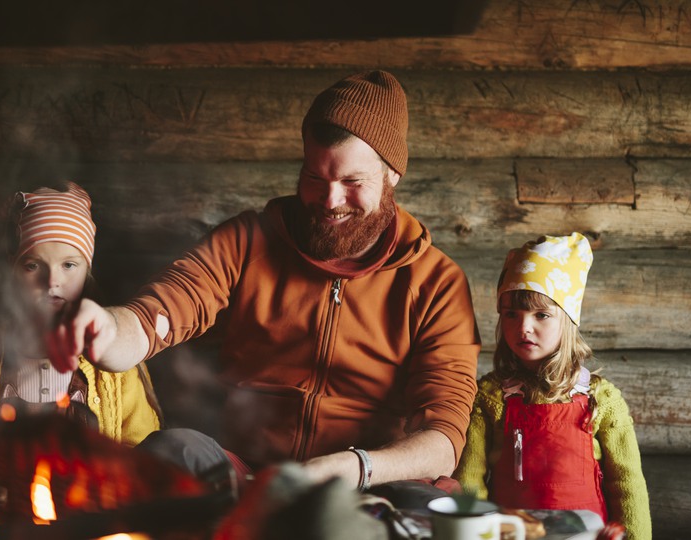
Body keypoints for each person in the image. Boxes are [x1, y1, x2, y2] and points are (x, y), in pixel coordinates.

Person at [45, 71, 481, 494]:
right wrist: (106, 328)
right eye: (315, 177)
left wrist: (354, 466)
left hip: (371, 481)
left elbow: (442, 440)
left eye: (352, 182)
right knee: (171, 450)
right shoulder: (246, 241)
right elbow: (157, 313)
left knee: (427, 507)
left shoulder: (437, 283)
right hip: (247, 474)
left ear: (392, 176)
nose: (330, 201)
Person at [453, 232, 651, 538]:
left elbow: (627, 484)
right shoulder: (491, 397)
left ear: (568, 319)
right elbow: (470, 480)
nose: (524, 327)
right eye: (511, 314)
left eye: (541, 314)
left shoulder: (602, 399)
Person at [0, 182, 163, 446]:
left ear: (87, 271)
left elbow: (142, 448)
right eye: (33, 265)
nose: (51, 282)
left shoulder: (114, 354)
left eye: (69, 265)